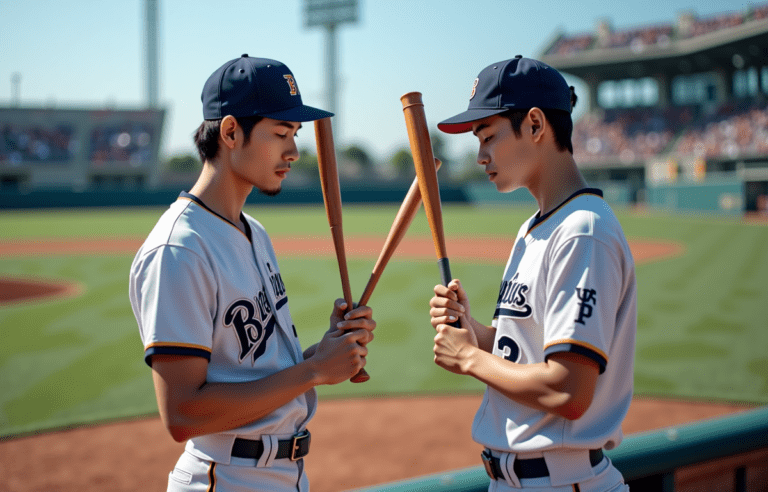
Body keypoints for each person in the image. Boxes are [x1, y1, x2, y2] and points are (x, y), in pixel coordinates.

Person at [129, 54, 376, 492]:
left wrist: (322, 353)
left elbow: (255, 370)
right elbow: (183, 413)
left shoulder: (253, 231)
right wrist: (314, 372)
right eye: (281, 133)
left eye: (295, 134)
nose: (294, 151)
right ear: (229, 132)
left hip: (282, 475)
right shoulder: (180, 249)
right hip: (226, 478)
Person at [429, 55, 636, 491]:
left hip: (562, 480)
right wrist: (475, 333)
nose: (481, 154)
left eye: (487, 136)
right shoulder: (535, 226)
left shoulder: (584, 230)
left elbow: (568, 391)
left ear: (536, 125)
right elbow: (523, 354)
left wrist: (469, 358)